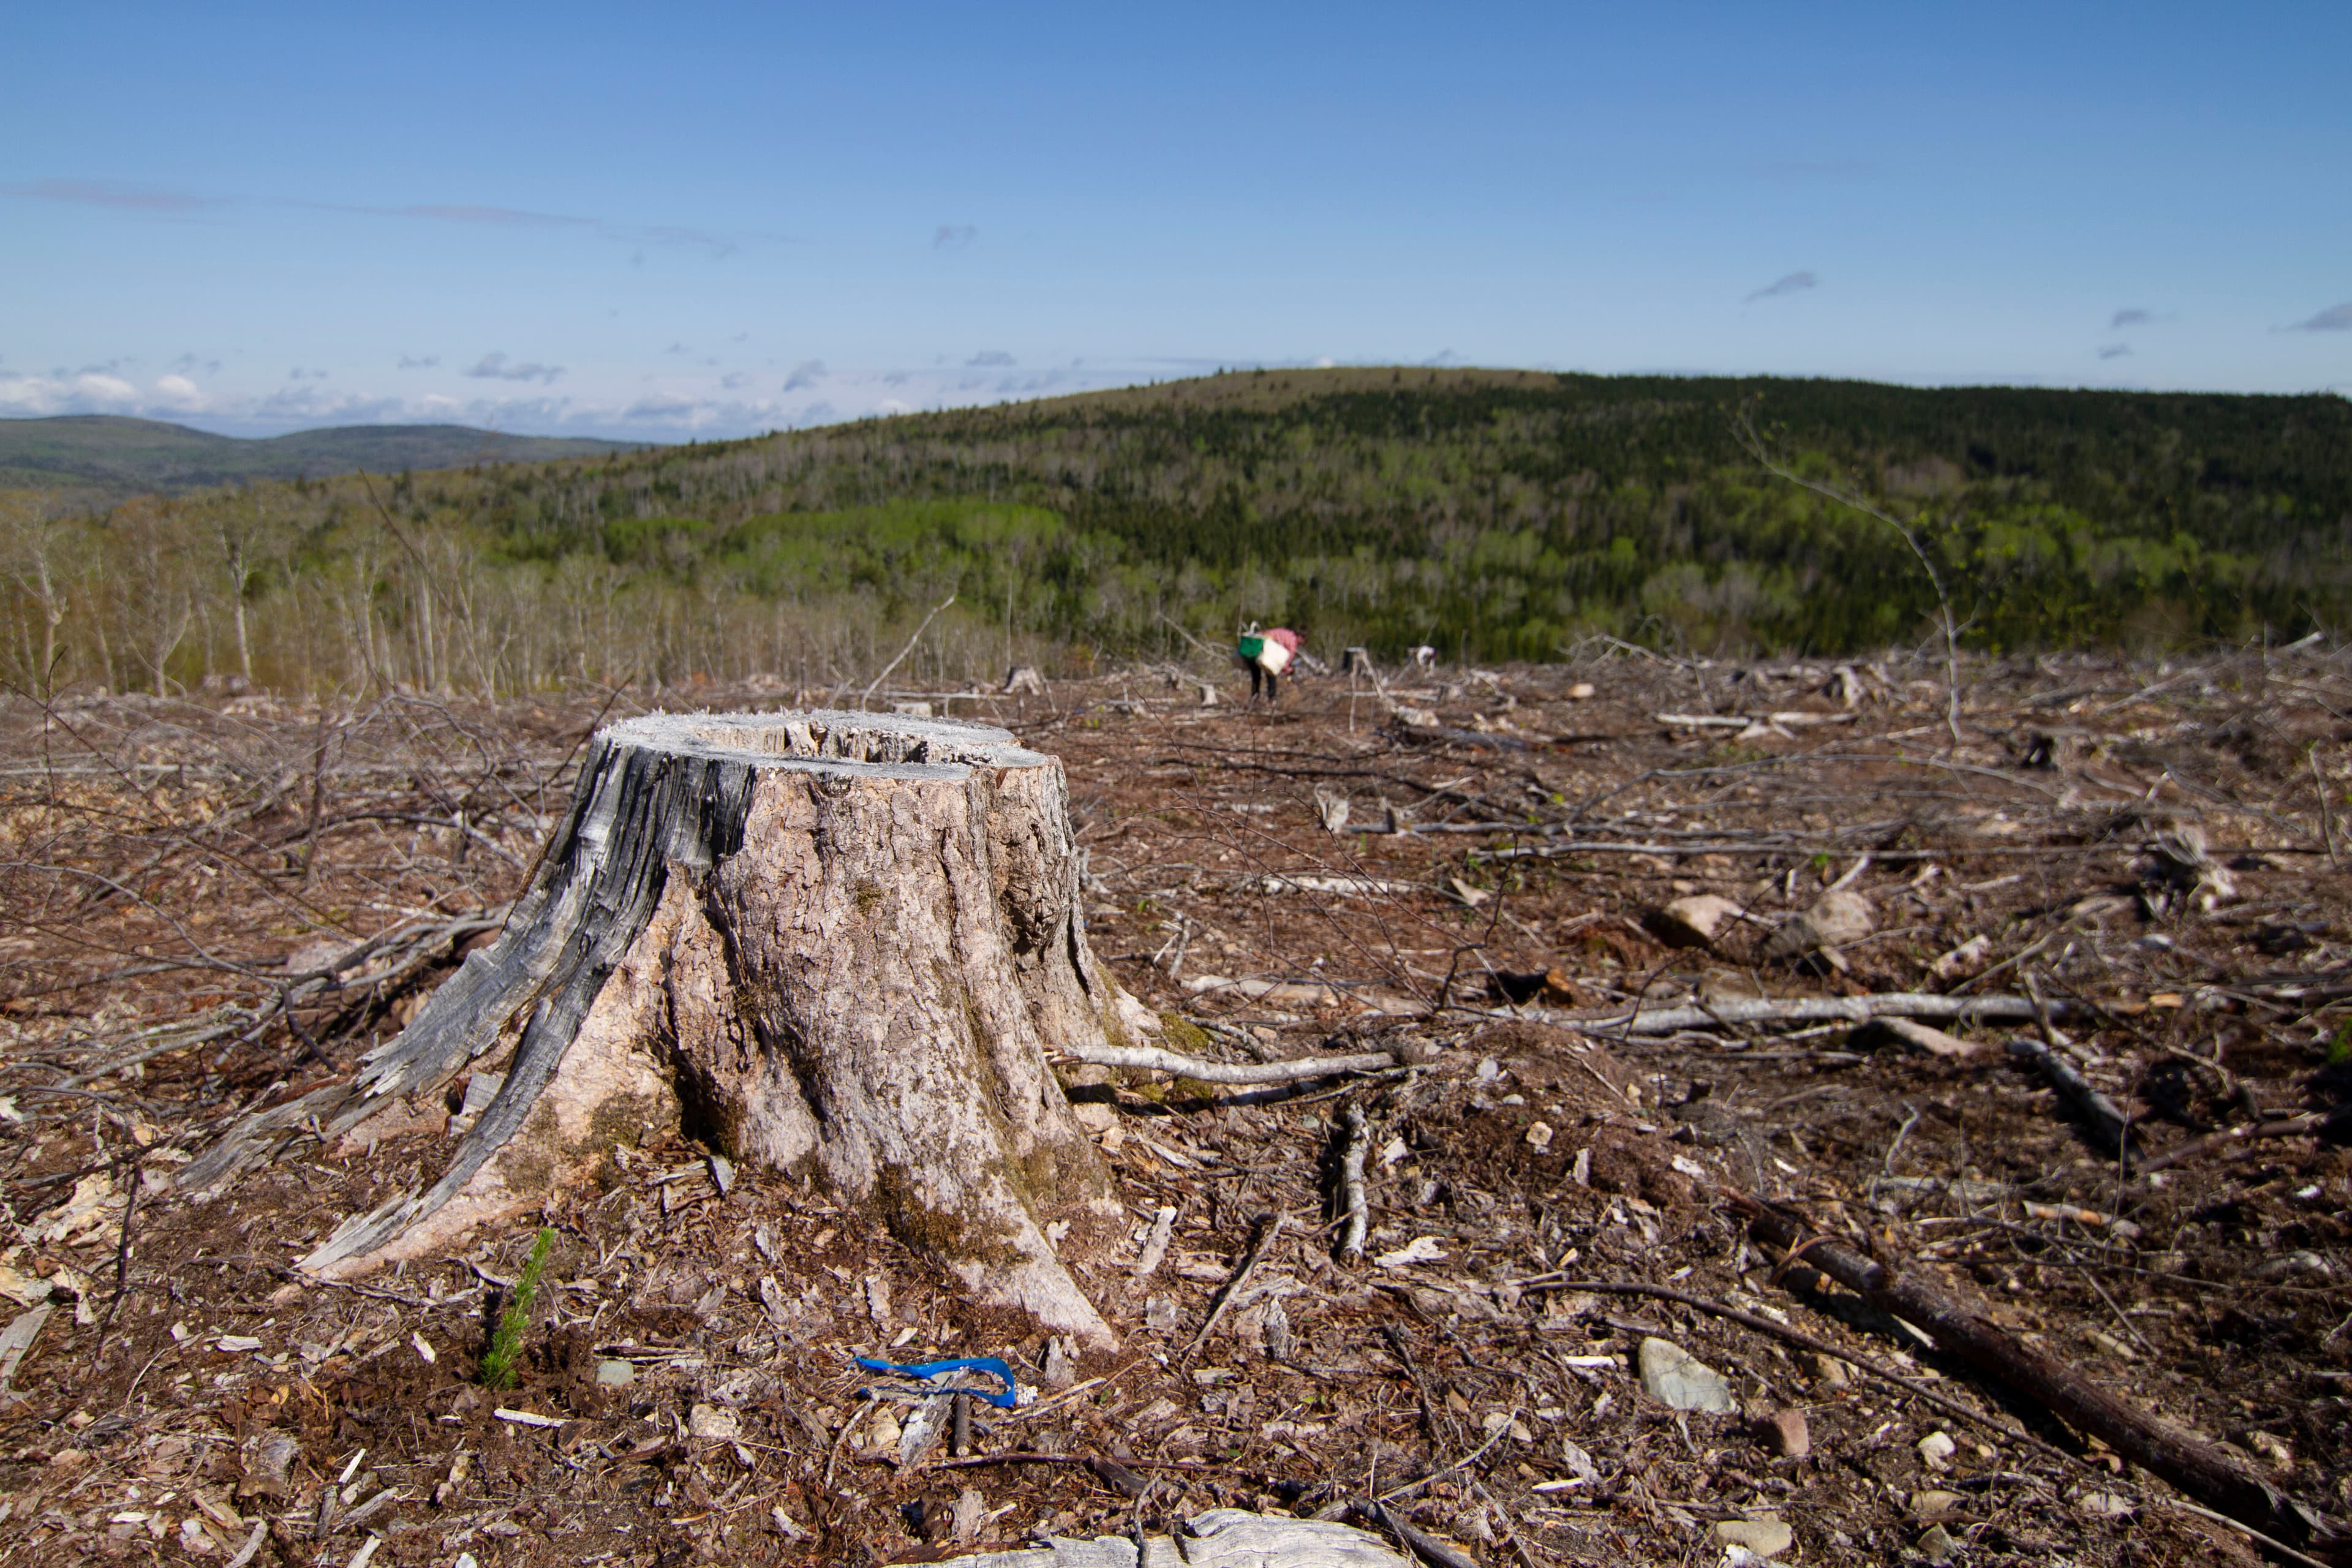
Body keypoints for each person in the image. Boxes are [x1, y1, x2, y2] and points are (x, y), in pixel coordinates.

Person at [1235, 624, 1303, 704]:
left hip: (1256, 647)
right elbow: (1286, 661)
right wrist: (1289, 670)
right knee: (1271, 673)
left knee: (1256, 676)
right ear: (1301, 637)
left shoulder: (1285, 632)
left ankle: (1255, 699)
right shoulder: (1292, 641)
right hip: (1265, 651)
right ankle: (1271, 700)